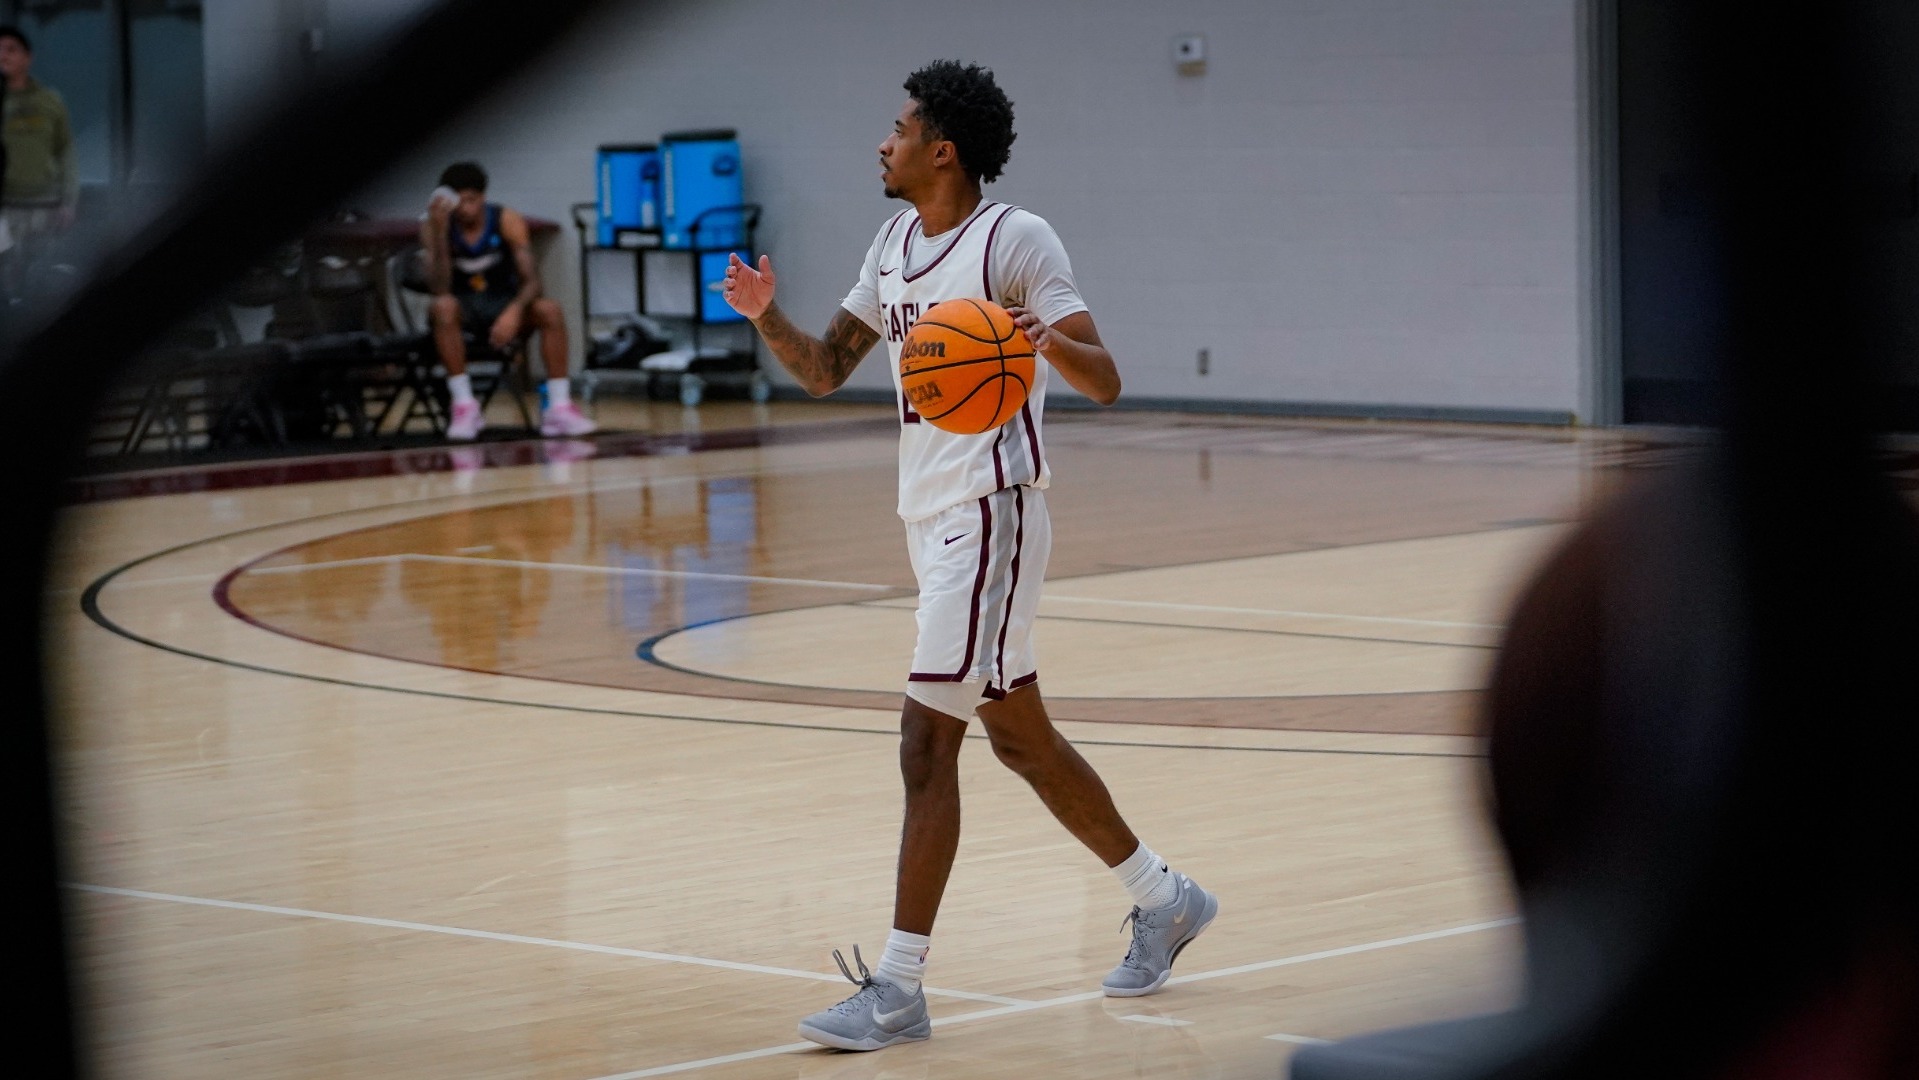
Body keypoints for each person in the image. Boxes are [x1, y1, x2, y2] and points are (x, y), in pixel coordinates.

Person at [723, 60, 1218, 1053]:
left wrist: (1040, 344)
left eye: (897, 127)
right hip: (928, 516)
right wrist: (762, 314)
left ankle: (898, 988)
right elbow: (824, 370)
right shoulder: (893, 242)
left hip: (991, 510)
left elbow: (1106, 378)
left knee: (923, 742)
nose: (883, 141)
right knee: (1018, 736)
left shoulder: (1012, 240)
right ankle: (1163, 898)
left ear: (939, 149)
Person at [419, 161, 595, 440]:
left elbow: (533, 281)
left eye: (472, 200)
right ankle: (464, 405)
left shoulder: (506, 220)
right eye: (459, 202)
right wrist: (441, 235)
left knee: (549, 309)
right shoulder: (433, 225)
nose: (466, 208)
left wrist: (514, 311)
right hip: (462, 309)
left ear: (483, 197)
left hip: (502, 302)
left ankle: (559, 407)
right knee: (442, 307)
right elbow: (439, 287)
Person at [0, 26, 76, 293]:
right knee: (8, 270)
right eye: (0, 50)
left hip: (44, 202)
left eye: (11, 50)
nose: (4, 56)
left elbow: (65, 151)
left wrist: (68, 200)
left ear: (27, 57)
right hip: (8, 204)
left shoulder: (49, 101)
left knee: (40, 270)